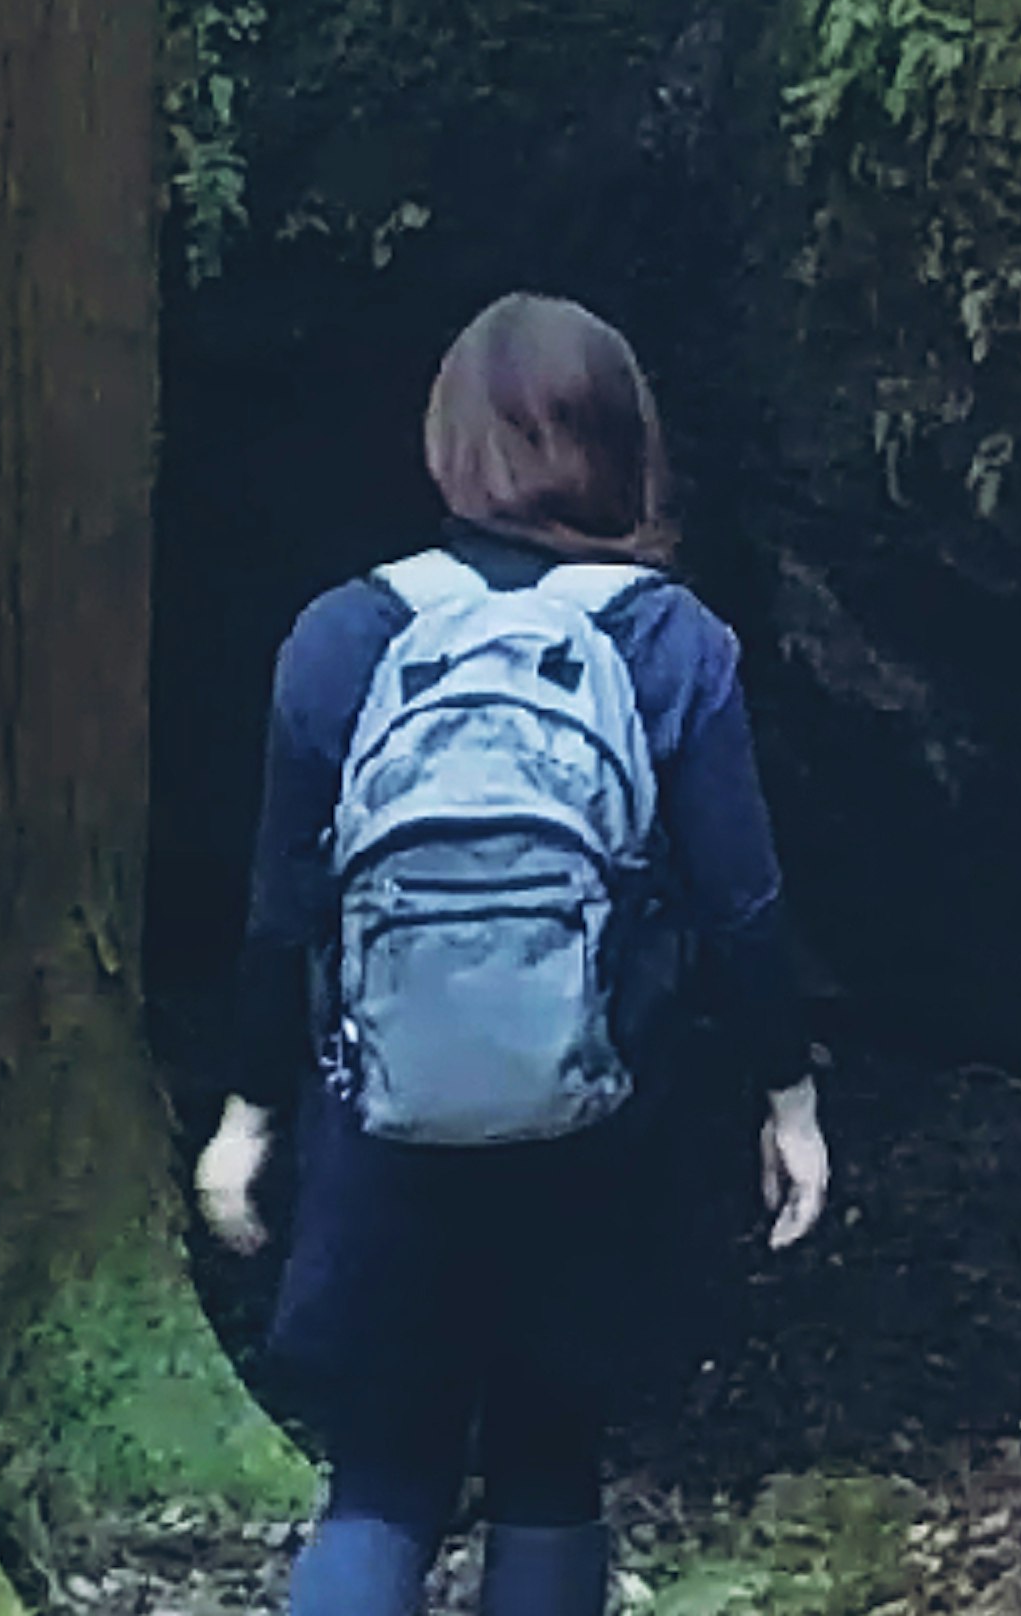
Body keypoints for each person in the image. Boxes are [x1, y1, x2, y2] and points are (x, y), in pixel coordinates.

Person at [195, 290, 832, 1616]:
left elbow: (281, 906)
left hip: (384, 1130)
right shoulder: (670, 643)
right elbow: (742, 906)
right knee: (553, 1470)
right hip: (597, 1123)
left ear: (447, 446)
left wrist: (248, 1113)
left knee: (380, 1480)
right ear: (623, 446)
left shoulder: (341, 637)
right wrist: (792, 1100)